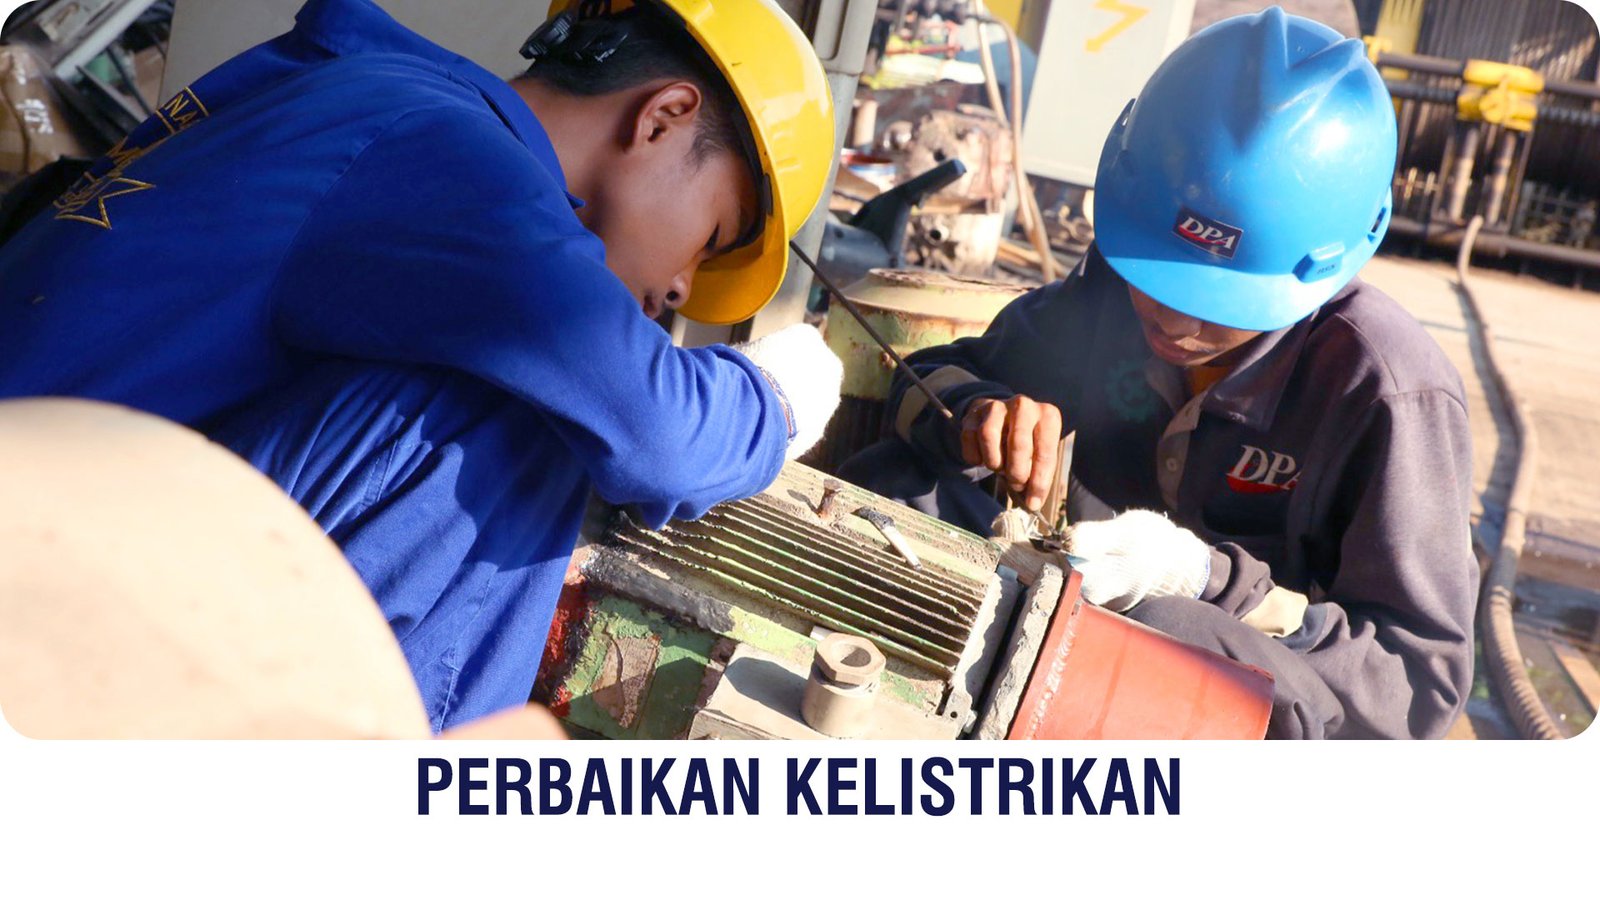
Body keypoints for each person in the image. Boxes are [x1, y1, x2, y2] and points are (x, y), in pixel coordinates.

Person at [0, 0, 841, 731]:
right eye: (711, 237)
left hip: (68, 555)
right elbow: (660, 433)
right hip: (53, 622)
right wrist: (778, 396)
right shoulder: (450, 160)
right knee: (521, 404)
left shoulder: (369, 99)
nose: (683, 287)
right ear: (662, 117)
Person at [839, 7, 1478, 740]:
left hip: (1235, 715)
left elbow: (1415, 687)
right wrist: (981, 415)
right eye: (1157, 276)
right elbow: (925, 379)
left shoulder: (1385, 392)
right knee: (898, 486)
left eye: (1216, 302)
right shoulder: (1113, 288)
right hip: (1072, 637)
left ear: (1315, 274)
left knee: (1171, 631)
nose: (1171, 319)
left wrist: (1208, 581)